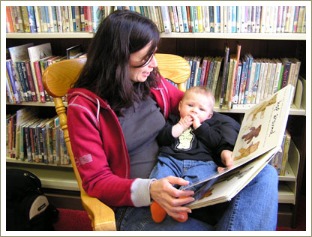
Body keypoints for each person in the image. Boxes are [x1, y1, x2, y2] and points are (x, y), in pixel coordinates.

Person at [67, 9, 278, 231]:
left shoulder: (152, 83)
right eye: (146, 57)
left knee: (264, 174)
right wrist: (151, 189)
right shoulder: (84, 107)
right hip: (140, 203)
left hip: (189, 177)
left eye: (153, 54)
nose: (154, 64)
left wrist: (225, 149)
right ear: (117, 57)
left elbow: (209, 117)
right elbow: (96, 181)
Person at [149, 86, 224, 223]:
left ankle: (182, 202)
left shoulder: (209, 127)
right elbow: (163, 138)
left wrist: (199, 128)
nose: (194, 110)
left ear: (209, 115)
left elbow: (215, 143)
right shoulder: (172, 120)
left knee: (203, 176)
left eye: (201, 109)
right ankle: (159, 203)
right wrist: (180, 126)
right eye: (190, 105)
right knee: (161, 173)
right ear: (180, 106)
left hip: (200, 162)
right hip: (172, 159)